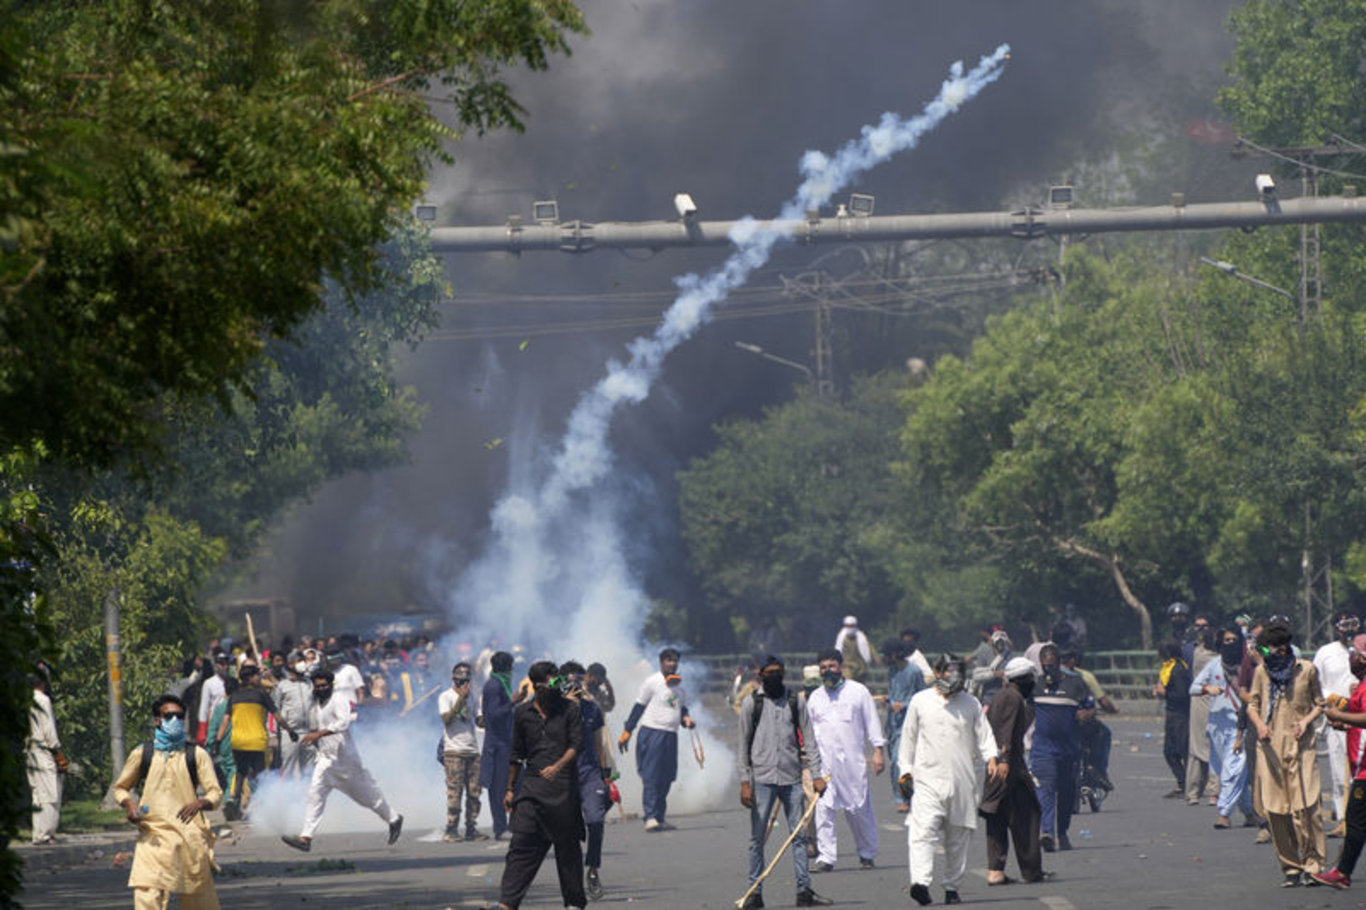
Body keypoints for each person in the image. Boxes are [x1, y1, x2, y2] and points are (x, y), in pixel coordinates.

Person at [898, 654, 999, 906]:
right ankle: (920, 883)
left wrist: (992, 758)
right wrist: (905, 770)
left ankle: (952, 887)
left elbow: (984, 735)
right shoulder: (920, 701)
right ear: (937, 672)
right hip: (926, 780)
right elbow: (908, 738)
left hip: (963, 781)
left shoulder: (970, 703)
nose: (953, 677)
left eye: (958, 672)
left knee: (958, 839)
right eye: (948, 672)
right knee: (922, 833)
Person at [112, 694, 222, 910]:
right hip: (153, 833)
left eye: (179, 716)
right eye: (169, 715)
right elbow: (121, 787)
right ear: (157, 720)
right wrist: (130, 805)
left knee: (196, 895)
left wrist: (200, 803)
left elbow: (215, 793)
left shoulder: (196, 754)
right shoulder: (143, 753)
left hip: (189, 835)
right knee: (146, 892)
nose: (175, 720)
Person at [492, 660, 586, 910]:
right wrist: (510, 789)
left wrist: (557, 767)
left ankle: (574, 904)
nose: (556, 688)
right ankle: (507, 904)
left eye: (559, 682)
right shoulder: (522, 713)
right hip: (532, 789)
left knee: (568, 851)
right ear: (537, 686)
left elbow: (577, 745)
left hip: (563, 789)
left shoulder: (570, 709)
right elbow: (516, 754)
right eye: (551, 682)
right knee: (520, 846)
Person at [737, 655, 830, 909]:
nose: (774, 676)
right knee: (757, 838)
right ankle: (754, 892)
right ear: (761, 675)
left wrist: (818, 774)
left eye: (779, 672)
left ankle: (804, 890)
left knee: (799, 837)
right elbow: (743, 745)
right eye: (770, 672)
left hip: (791, 778)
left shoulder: (794, 701)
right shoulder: (751, 703)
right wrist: (745, 782)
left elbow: (809, 740)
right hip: (763, 780)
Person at [281, 668, 403, 852]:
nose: (321, 688)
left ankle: (394, 818)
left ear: (331, 685)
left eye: (324, 685)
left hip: (345, 760)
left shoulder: (339, 700)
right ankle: (306, 838)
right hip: (326, 759)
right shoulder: (316, 703)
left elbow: (343, 722)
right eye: (318, 686)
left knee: (366, 797)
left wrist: (319, 734)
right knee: (315, 795)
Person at [1247, 619, 1326, 887]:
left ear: (1286, 648)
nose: (1273, 655)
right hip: (1270, 748)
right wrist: (1260, 726)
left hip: (1301, 746)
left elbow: (1320, 703)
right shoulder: (1261, 672)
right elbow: (1252, 705)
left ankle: (1314, 864)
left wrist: (1305, 722)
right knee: (1276, 811)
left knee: (1307, 807)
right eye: (1267, 650)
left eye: (1277, 649)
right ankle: (1291, 867)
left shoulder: (1306, 670)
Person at [806, 648, 886, 872]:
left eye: (831, 666)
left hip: (852, 762)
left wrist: (878, 751)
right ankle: (826, 857)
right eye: (823, 667)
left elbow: (872, 722)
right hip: (824, 764)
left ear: (840, 667)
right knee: (823, 808)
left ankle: (867, 853)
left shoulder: (858, 692)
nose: (827, 670)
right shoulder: (815, 698)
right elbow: (809, 732)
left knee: (859, 809)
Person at [981, 657, 1046, 887]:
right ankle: (1031, 870)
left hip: (996, 765)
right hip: (1009, 767)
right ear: (1026, 679)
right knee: (1028, 814)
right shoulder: (1012, 697)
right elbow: (1006, 730)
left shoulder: (1001, 695)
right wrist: (1005, 759)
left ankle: (995, 871)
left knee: (997, 816)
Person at [619, 647, 695, 831]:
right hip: (652, 733)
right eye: (668, 660)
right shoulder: (651, 682)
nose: (672, 663)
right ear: (661, 663)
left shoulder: (680, 689)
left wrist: (687, 719)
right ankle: (650, 817)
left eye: (675, 660)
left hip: (671, 735)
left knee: (667, 777)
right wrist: (628, 731)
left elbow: (682, 710)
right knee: (652, 776)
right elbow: (639, 707)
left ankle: (660, 817)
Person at [1312, 633, 1366, 889]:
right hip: (1360, 765)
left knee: (1355, 821)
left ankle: (1342, 872)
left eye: (1355, 655)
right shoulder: (1362, 684)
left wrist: (1336, 713)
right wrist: (1343, 722)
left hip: (1365, 770)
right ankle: (1341, 870)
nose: (1351, 660)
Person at [1030, 644, 1094, 852]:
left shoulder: (1076, 684)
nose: (1048, 669)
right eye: (1044, 665)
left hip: (1069, 748)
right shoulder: (1035, 685)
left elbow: (1091, 708)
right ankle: (1047, 832)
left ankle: (1062, 832)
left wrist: (1085, 715)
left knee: (1066, 793)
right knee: (1045, 790)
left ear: (1059, 663)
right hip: (1043, 748)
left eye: (1051, 664)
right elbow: (1024, 711)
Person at [561, 660, 616, 901]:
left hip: (589, 773)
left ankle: (592, 870)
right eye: (568, 680)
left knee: (595, 820)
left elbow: (598, 743)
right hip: (562, 776)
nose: (574, 685)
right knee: (567, 833)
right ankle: (572, 885)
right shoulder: (552, 710)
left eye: (577, 679)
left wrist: (605, 774)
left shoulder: (592, 709)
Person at [1192, 626, 1255, 829]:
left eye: (1234, 640)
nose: (1230, 644)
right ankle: (1249, 812)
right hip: (1217, 726)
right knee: (1231, 772)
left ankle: (1224, 813)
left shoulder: (1248, 667)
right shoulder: (1213, 665)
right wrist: (1206, 688)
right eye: (1226, 640)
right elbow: (1192, 688)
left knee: (1233, 770)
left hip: (1241, 725)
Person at [216, 662, 279, 819]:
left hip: (238, 742)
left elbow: (224, 721)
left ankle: (233, 799)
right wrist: (289, 731)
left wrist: (217, 740)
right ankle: (264, 806)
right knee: (261, 775)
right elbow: (274, 691)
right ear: (250, 678)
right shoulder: (261, 694)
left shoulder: (234, 697)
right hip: (257, 741)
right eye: (257, 675)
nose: (259, 677)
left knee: (240, 773)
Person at [1317, 612, 1360, 836]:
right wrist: (1334, 699)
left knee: (1359, 771)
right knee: (1337, 771)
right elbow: (1315, 684)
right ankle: (1343, 818)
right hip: (1337, 718)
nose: (1350, 629)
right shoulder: (1325, 653)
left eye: (1354, 624)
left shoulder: (1363, 648)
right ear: (1336, 628)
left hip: (1361, 720)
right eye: (1345, 625)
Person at [440, 661, 484, 842]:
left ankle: (471, 827)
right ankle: (451, 828)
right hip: (454, 751)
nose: (464, 685)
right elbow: (447, 719)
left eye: (466, 681)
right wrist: (460, 699)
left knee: (474, 792)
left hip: (472, 749)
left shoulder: (473, 697)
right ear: (453, 680)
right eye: (460, 681)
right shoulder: (446, 696)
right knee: (454, 791)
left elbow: (479, 720)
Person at [1060, 647, 1115, 793]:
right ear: (1072, 661)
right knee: (1103, 733)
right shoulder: (1082, 678)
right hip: (1077, 725)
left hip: (1055, 726)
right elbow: (1093, 704)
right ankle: (1097, 770)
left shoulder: (1045, 678)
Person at [883, 641, 925, 814]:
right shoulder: (892, 671)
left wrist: (905, 704)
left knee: (897, 762)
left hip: (908, 722)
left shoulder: (914, 671)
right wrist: (891, 701)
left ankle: (903, 797)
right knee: (895, 760)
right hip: (892, 722)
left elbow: (922, 695)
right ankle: (904, 794)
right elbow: (893, 692)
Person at [480, 650, 517, 840]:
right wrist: (513, 702)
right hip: (497, 746)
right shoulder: (494, 686)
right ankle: (500, 828)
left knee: (513, 785)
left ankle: (512, 825)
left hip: (506, 743)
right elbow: (493, 715)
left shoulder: (500, 683)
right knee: (498, 789)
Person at [27, 671, 64, 844]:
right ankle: (45, 833)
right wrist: (58, 752)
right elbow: (49, 731)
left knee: (37, 793)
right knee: (50, 792)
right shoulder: (43, 700)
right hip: (43, 750)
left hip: (29, 751)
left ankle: (38, 832)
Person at [1186, 621, 1218, 806]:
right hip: (1212, 700)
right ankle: (1215, 790)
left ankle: (1193, 792)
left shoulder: (1197, 653)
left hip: (1198, 702)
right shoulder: (1216, 659)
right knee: (1214, 748)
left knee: (1196, 749)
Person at [1153, 639, 1191, 797]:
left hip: (1180, 715)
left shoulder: (1177, 669)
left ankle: (1187, 784)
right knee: (1170, 751)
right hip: (1172, 713)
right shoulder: (1168, 668)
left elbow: (1182, 695)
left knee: (1181, 750)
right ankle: (1183, 782)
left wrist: (1164, 693)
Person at [273, 650, 314, 778]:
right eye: (299, 661)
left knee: (309, 770)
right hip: (290, 732)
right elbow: (275, 709)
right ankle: (286, 797)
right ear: (290, 664)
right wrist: (274, 733)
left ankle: (307, 797)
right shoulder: (282, 686)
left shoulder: (309, 683)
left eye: (303, 661)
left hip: (308, 732)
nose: (303, 664)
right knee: (288, 769)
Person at [194, 652, 230, 745]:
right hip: (214, 721)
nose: (225, 667)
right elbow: (204, 707)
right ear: (216, 665)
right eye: (222, 664)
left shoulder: (232, 681)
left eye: (226, 663)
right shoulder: (209, 683)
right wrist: (202, 728)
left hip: (229, 720)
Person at [970, 630, 1013, 707]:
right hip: (988, 698)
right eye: (997, 642)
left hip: (1006, 697)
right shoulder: (984, 654)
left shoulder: (1010, 656)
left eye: (1002, 642)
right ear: (993, 643)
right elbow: (976, 676)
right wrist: (994, 675)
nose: (1000, 645)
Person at [833, 616, 874, 683]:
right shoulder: (841, 638)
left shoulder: (861, 638)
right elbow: (838, 651)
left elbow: (866, 653)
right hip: (846, 668)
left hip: (860, 669)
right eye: (847, 626)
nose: (849, 628)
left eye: (851, 626)